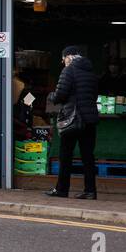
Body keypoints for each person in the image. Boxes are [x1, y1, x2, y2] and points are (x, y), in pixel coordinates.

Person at [47, 45, 100, 200]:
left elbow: (61, 95)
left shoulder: (68, 71)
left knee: (65, 155)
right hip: (89, 120)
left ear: (69, 57)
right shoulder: (91, 73)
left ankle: (62, 189)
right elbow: (94, 95)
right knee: (88, 157)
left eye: (63, 59)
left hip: (73, 119)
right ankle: (90, 191)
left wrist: (51, 96)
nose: (63, 62)